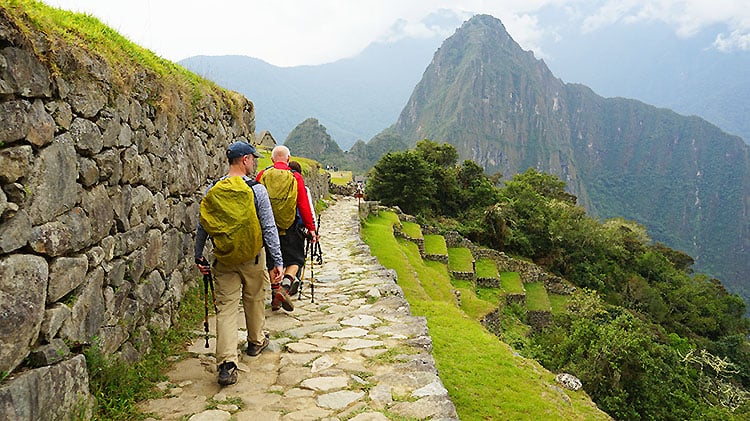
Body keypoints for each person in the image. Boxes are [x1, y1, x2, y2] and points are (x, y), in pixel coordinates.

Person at [194, 141, 284, 386]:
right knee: (254, 298)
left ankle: (226, 364)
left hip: (223, 258)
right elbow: (268, 227)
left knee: (225, 309)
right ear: (244, 160)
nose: (254, 162)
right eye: (253, 158)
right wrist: (277, 261)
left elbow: (203, 223)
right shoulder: (257, 189)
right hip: (252, 257)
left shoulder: (214, 189)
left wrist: (198, 253)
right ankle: (255, 342)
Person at [257, 145, 319, 310]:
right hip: (290, 227)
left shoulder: (263, 175)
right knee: (295, 259)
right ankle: (284, 288)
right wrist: (311, 228)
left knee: (272, 262)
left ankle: (275, 293)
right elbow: (303, 204)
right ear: (288, 159)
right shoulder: (295, 177)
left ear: (272, 160)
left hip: (268, 228)